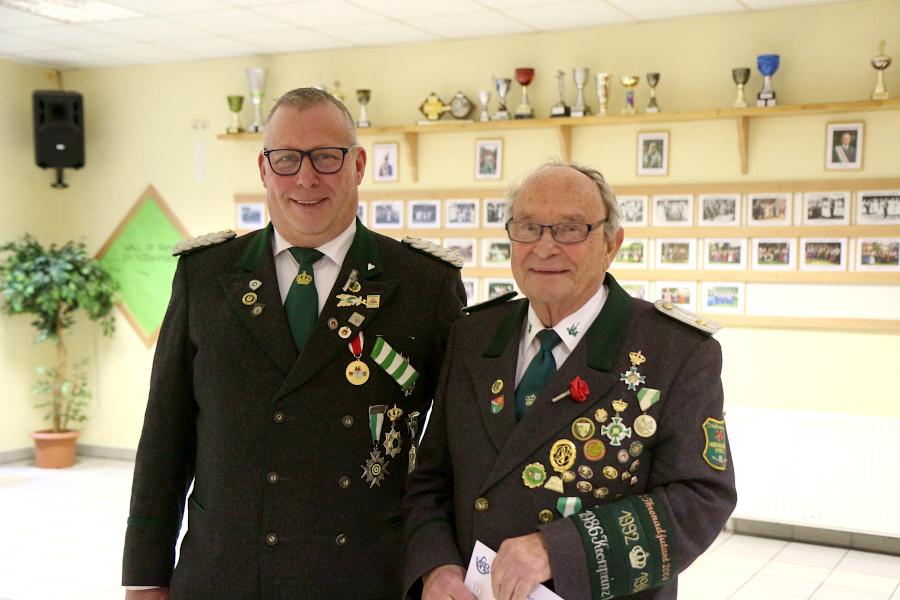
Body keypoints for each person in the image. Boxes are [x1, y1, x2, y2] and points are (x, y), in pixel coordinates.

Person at [122, 87, 466, 599]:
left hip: (364, 577)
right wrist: (145, 577)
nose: (305, 178)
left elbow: (453, 452)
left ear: (358, 165)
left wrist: (443, 566)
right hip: (225, 576)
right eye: (286, 159)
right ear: (264, 169)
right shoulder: (206, 276)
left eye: (327, 157)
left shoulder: (423, 284)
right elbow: (164, 442)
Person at [403, 162, 736, 600]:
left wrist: (557, 549)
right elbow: (430, 478)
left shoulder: (674, 351)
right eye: (528, 228)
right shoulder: (472, 337)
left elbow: (700, 498)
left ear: (611, 244)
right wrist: (436, 567)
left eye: (570, 229)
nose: (545, 247)